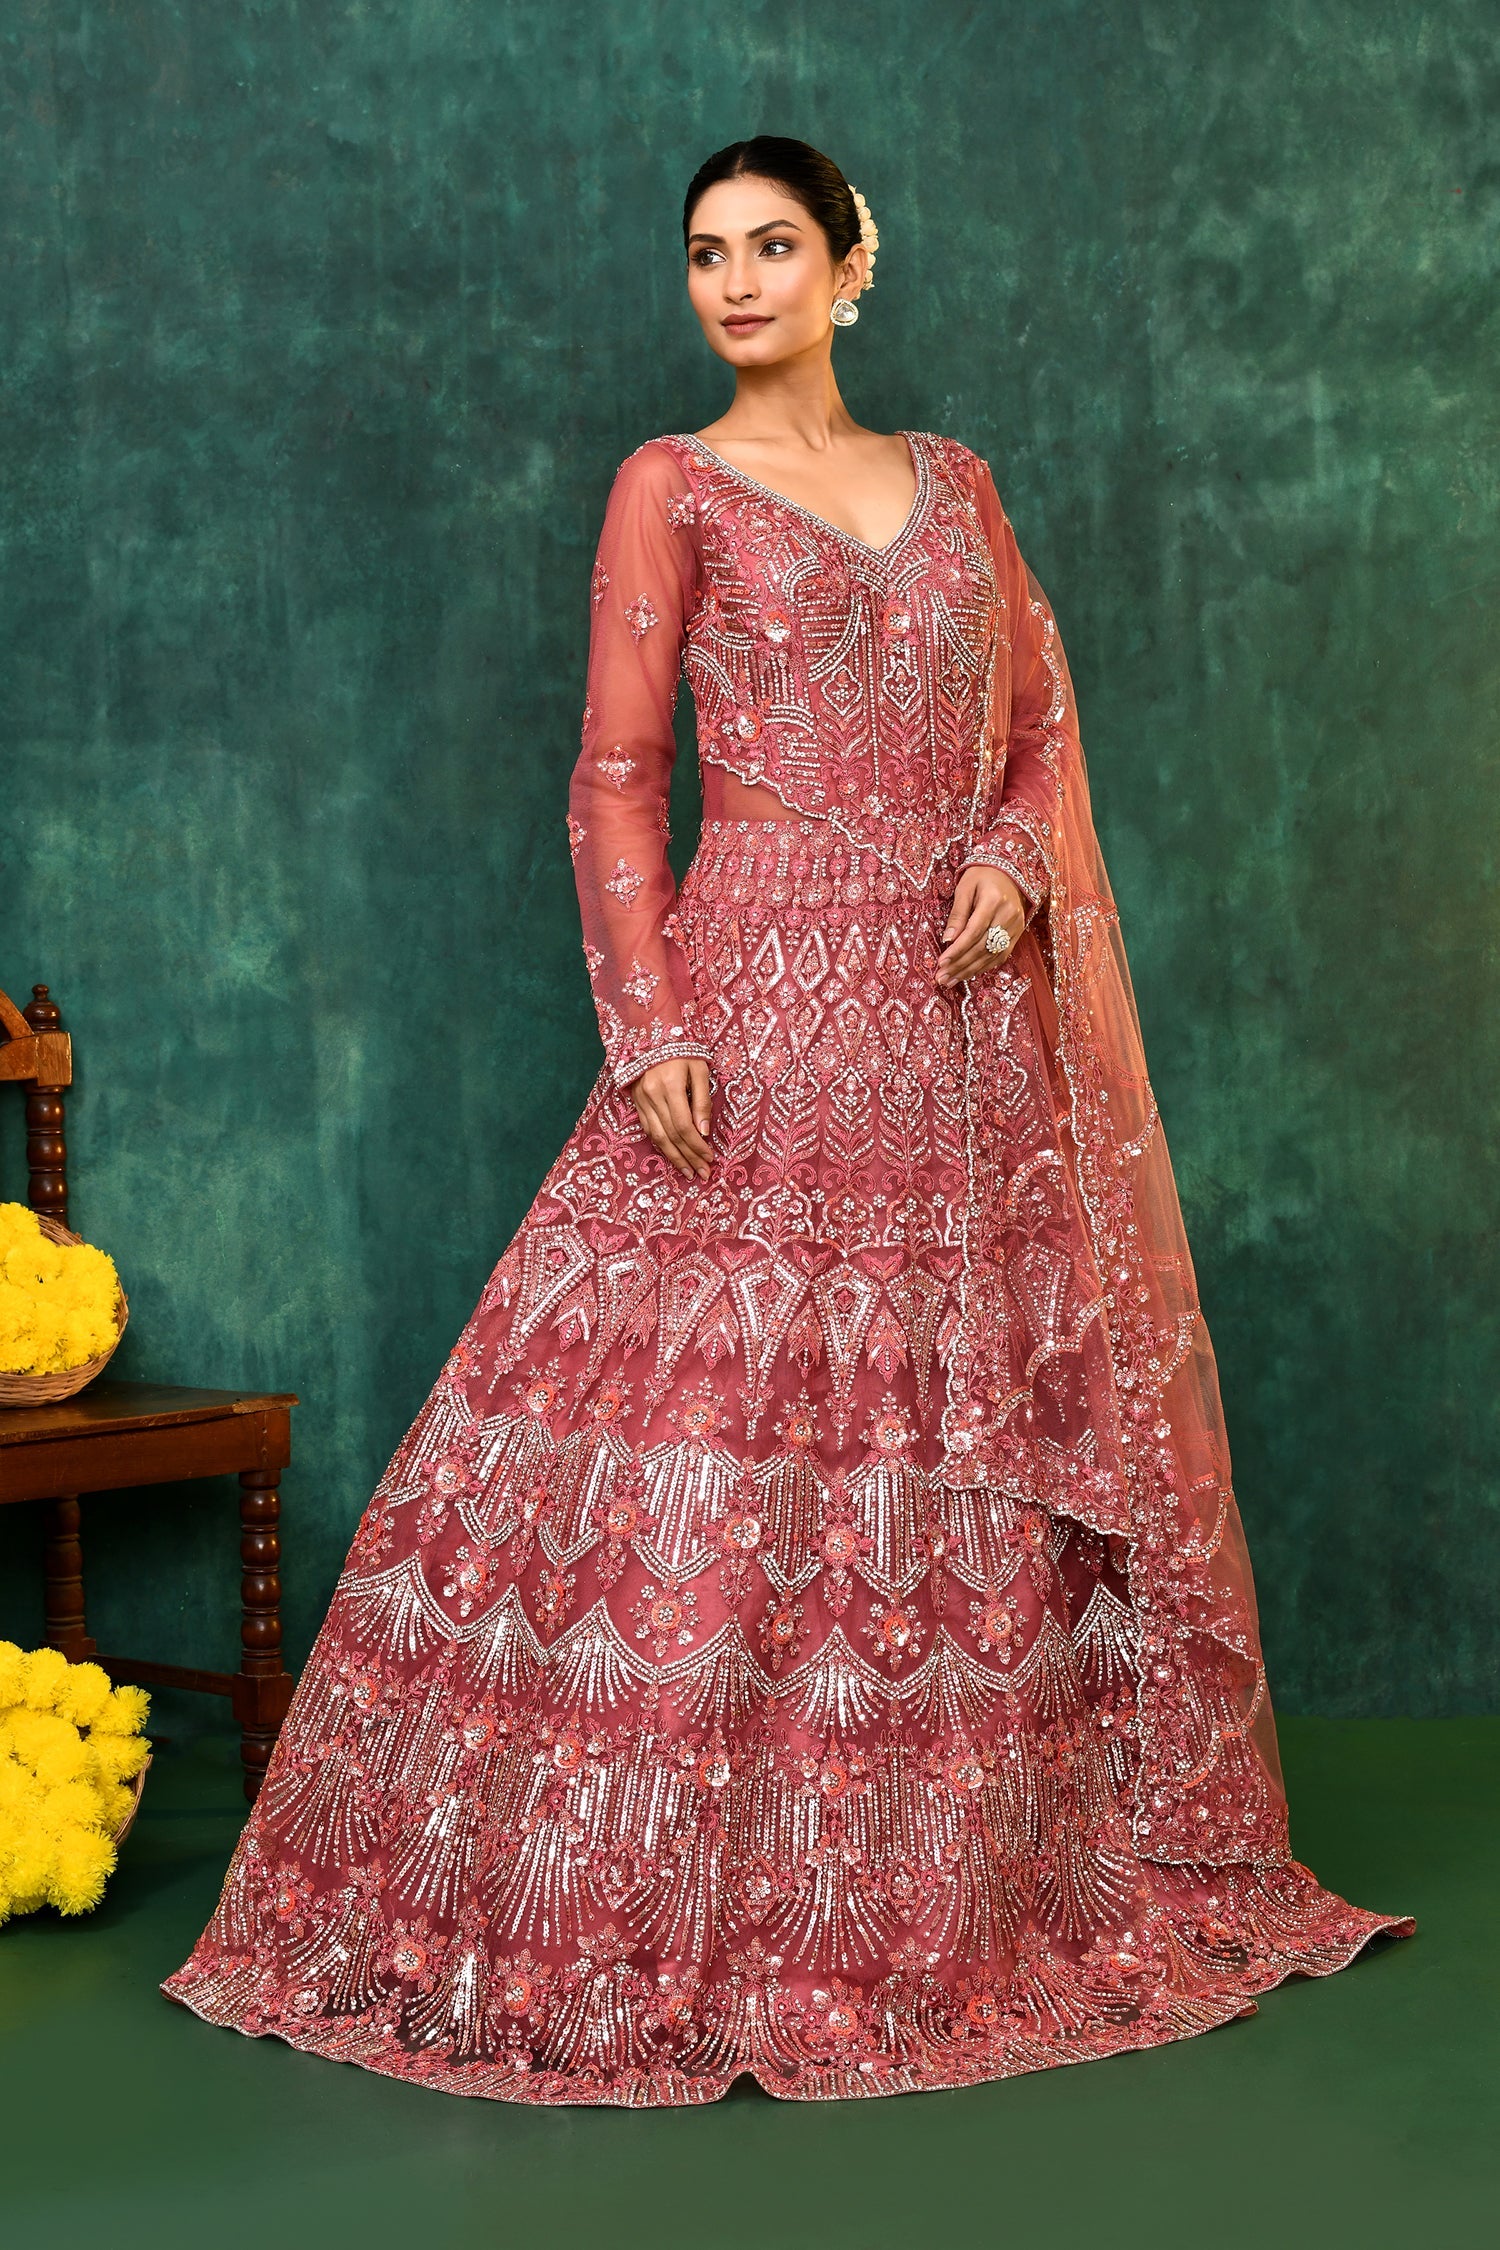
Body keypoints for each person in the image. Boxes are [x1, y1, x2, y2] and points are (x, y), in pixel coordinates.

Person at [162, 135, 1412, 2105]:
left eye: (770, 247)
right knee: (705, 1432)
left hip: (954, 1039)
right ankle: (639, 1894)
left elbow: (1041, 727)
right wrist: (647, 1017)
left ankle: (958, 1883)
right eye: (705, 254)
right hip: (746, 1005)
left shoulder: (960, 486)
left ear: (852, 265)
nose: (735, 283)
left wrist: (1013, 853)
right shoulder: (669, 486)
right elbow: (613, 776)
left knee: (950, 1426)